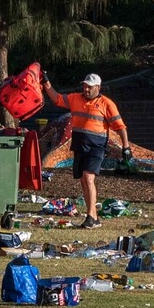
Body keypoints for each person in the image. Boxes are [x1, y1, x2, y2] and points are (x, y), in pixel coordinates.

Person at [41, 72, 128, 227]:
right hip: (80, 144)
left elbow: (120, 127)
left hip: (97, 146)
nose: (86, 89)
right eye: (84, 86)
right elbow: (56, 98)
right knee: (83, 180)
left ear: (98, 88)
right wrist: (46, 82)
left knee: (88, 177)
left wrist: (126, 147)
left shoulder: (106, 103)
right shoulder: (75, 98)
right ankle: (93, 217)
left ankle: (89, 216)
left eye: (89, 87)